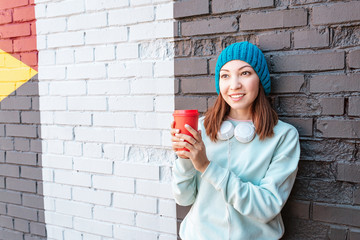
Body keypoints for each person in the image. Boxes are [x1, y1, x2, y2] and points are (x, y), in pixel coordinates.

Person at [170, 41, 300, 240]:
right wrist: (186, 158)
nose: (234, 85)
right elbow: (183, 198)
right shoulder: (201, 128)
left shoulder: (284, 136)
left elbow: (266, 207)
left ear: (261, 79)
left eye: (245, 73)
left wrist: (206, 166)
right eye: (225, 75)